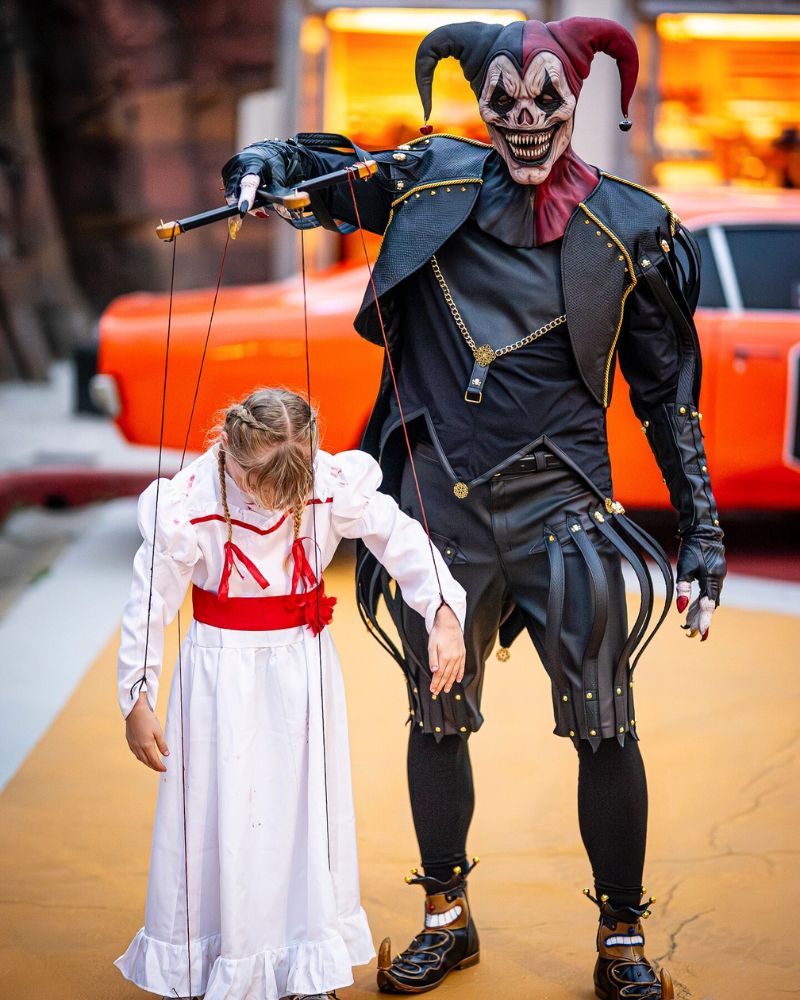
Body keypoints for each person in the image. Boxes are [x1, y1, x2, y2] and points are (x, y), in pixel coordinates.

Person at [221, 17, 727, 999]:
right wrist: (262, 159)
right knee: (436, 719)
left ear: (575, 97)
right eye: (503, 97)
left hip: (568, 516)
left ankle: (621, 938)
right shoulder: (428, 185)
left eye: (546, 96)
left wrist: (699, 528)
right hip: (439, 520)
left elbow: (666, 396)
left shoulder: (627, 227)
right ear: (477, 97)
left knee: (604, 727)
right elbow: (325, 171)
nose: (525, 117)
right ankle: (444, 918)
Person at [114, 388, 467, 1000]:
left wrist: (442, 609)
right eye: (256, 481)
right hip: (219, 676)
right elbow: (151, 598)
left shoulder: (328, 482)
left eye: (287, 482)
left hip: (303, 672)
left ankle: (305, 966)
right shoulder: (191, 499)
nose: (269, 498)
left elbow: (400, 538)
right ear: (227, 445)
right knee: (224, 811)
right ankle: (222, 961)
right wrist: (137, 692)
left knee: (305, 813)